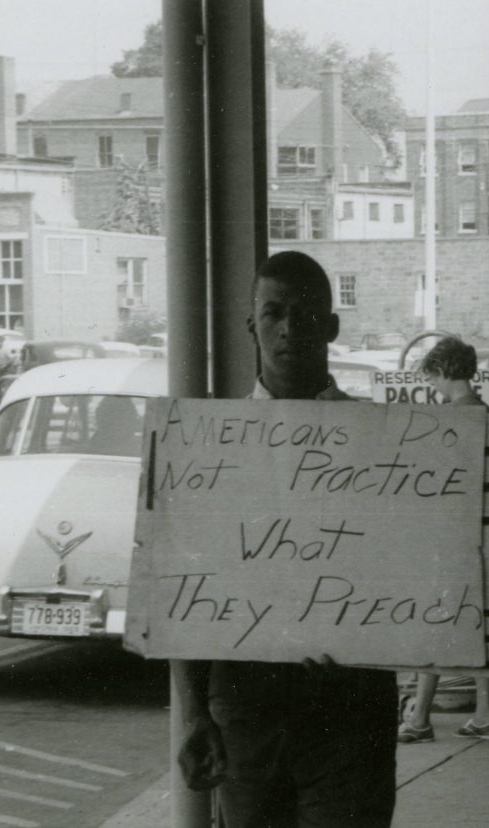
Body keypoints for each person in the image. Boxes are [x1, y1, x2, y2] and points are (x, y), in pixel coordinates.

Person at [174, 251, 397, 827]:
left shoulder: (389, 449)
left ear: (332, 325)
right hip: (246, 708)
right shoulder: (208, 449)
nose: (290, 328)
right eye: (273, 312)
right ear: (251, 324)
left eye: (305, 313)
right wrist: (196, 713)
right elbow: (183, 586)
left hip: (348, 703)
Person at [397, 336, 489, 745]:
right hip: (482, 536)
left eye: (433, 379)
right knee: (474, 625)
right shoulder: (488, 415)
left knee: (435, 623)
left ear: (442, 372)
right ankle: (484, 714)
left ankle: (419, 717)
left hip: (449, 537)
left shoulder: (449, 421)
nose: (434, 388)